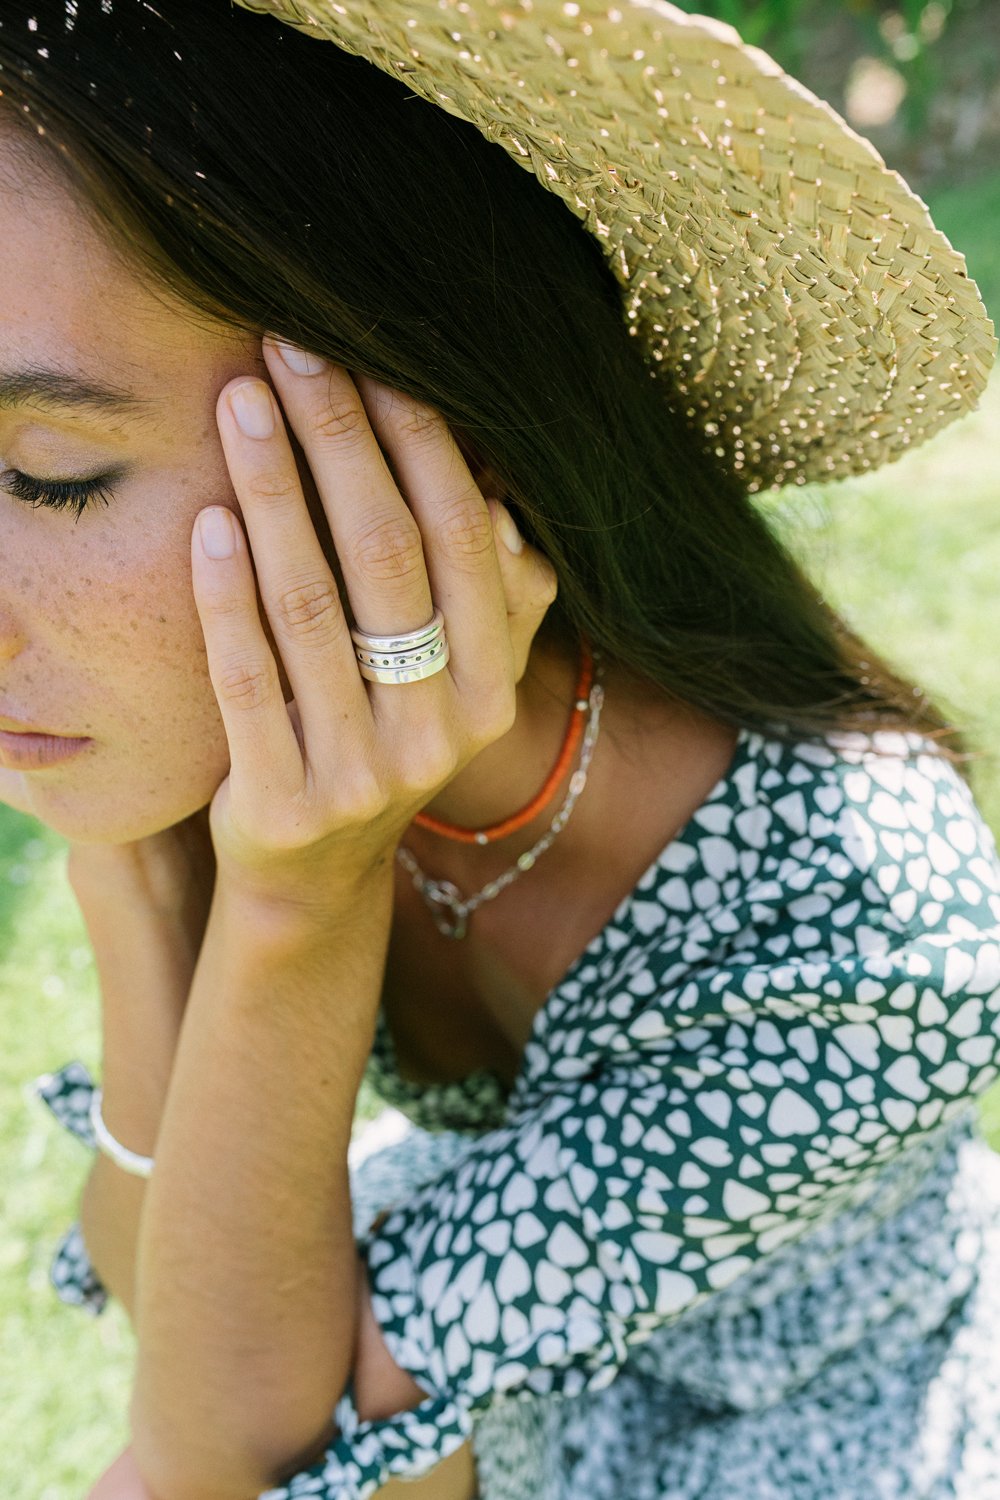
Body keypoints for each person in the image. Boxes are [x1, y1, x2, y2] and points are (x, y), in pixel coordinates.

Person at [4, 0, 1000, 1496]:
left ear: (427, 439)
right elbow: (168, 1313)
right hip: (468, 1344)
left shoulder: (869, 925)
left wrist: (298, 899)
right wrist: (138, 883)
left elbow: (233, 1454)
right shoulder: (274, 753)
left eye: (47, 473)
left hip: (819, 1430)